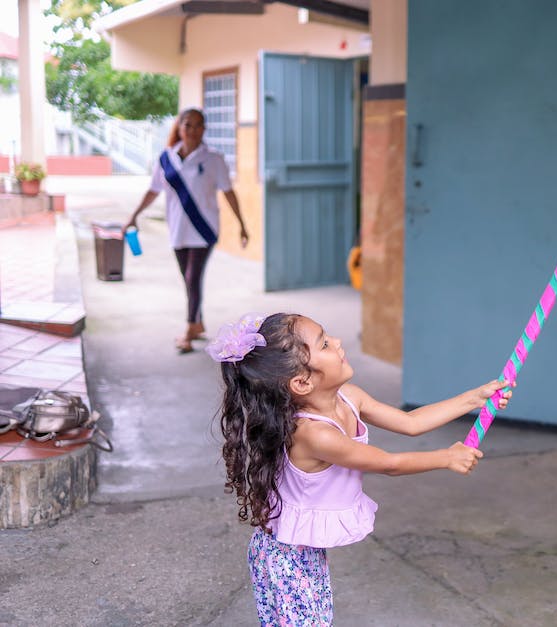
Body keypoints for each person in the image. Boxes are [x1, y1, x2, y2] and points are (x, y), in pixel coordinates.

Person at [207, 312, 513, 625]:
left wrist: (474, 398)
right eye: (325, 344)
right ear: (302, 382)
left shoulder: (350, 398)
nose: (338, 342)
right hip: (284, 557)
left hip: (304, 548)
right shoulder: (314, 434)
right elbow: (389, 464)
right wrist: (446, 457)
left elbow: (411, 422)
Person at [124, 107, 249, 354]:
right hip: (178, 229)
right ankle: (198, 321)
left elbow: (228, 192)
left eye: (198, 125)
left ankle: (190, 331)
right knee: (189, 279)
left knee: (192, 278)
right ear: (179, 127)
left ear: (204, 129)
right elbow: (153, 191)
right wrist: (133, 215)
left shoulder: (214, 160)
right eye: (187, 125)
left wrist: (243, 225)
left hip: (204, 230)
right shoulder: (165, 158)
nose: (192, 130)